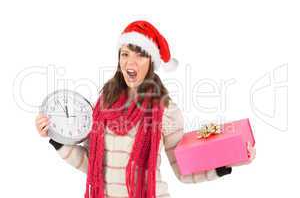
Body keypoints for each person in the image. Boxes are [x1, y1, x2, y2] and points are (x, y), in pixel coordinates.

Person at [35, 20, 255, 198]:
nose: (131, 62)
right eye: (125, 54)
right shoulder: (102, 105)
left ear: (151, 62)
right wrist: (57, 138)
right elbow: (92, 164)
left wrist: (223, 164)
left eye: (140, 54)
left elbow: (183, 170)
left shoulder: (166, 112)